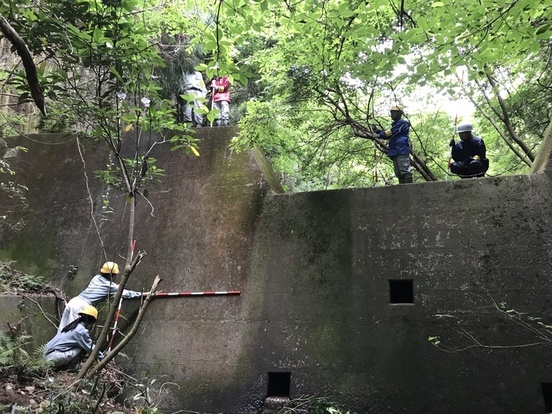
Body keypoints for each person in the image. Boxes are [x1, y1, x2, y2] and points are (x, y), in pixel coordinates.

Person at [57, 261, 143, 333]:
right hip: (81, 307)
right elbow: (128, 294)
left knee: (62, 330)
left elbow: (105, 286)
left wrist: (117, 286)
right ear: (111, 275)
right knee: (72, 333)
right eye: (115, 274)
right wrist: (145, 294)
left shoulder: (96, 278)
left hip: (74, 301)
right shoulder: (111, 286)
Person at [44, 305, 101, 369]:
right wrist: (102, 356)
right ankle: (68, 367)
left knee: (80, 345)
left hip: (46, 355)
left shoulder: (73, 326)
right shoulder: (80, 331)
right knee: (81, 348)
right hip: (52, 358)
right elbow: (90, 348)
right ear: (91, 320)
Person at [372, 105, 412, 184]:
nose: (392, 114)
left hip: (401, 149)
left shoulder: (403, 123)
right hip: (395, 150)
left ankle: (409, 189)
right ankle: (402, 189)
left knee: (405, 171)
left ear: (399, 114)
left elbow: (391, 132)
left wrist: (379, 135)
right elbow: (389, 134)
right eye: (391, 112)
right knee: (399, 173)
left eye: (394, 112)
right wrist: (377, 131)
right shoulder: (396, 125)